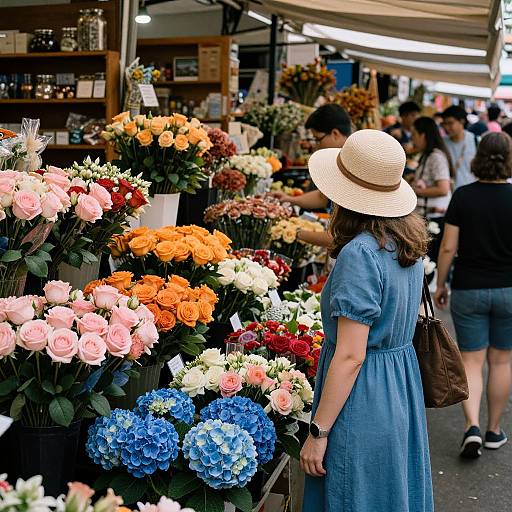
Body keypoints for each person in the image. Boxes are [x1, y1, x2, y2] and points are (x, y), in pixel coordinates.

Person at [301, 130, 433, 511]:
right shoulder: (402, 243)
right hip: (399, 386)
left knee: (354, 491)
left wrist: (319, 431)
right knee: (390, 490)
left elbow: (351, 355)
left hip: (363, 392)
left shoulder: (360, 253)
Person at [435, 132, 512, 459]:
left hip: (469, 287)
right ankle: (494, 429)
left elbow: (449, 246)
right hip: (509, 289)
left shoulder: (463, 196)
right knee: (502, 360)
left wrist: (441, 284)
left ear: (478, 157)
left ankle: (472, 427)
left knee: (471, 360)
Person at [274, 103, 352, 247]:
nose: (316, 145)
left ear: (335, 134)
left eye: (317, 139)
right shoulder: (342, 162)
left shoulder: (353, 170)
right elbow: (323, 197)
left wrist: (292, 231)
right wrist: (290, 199)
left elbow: (337, 238)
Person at [411, 116, 452, 267]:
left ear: (423, 135)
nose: (413, 139)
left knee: (428, 264)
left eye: (414, 134)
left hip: (433, 219)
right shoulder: (427, 156)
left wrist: (415, 191)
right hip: (426, 216)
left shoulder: (436, 157)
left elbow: (443, 188)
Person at [441, 105, 477, 189]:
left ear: (462, 121)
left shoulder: (475, 140)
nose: (446, 127)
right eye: (444, 124)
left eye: (450, 123)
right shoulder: (442, 143)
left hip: (470, 191)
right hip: (450, 193)